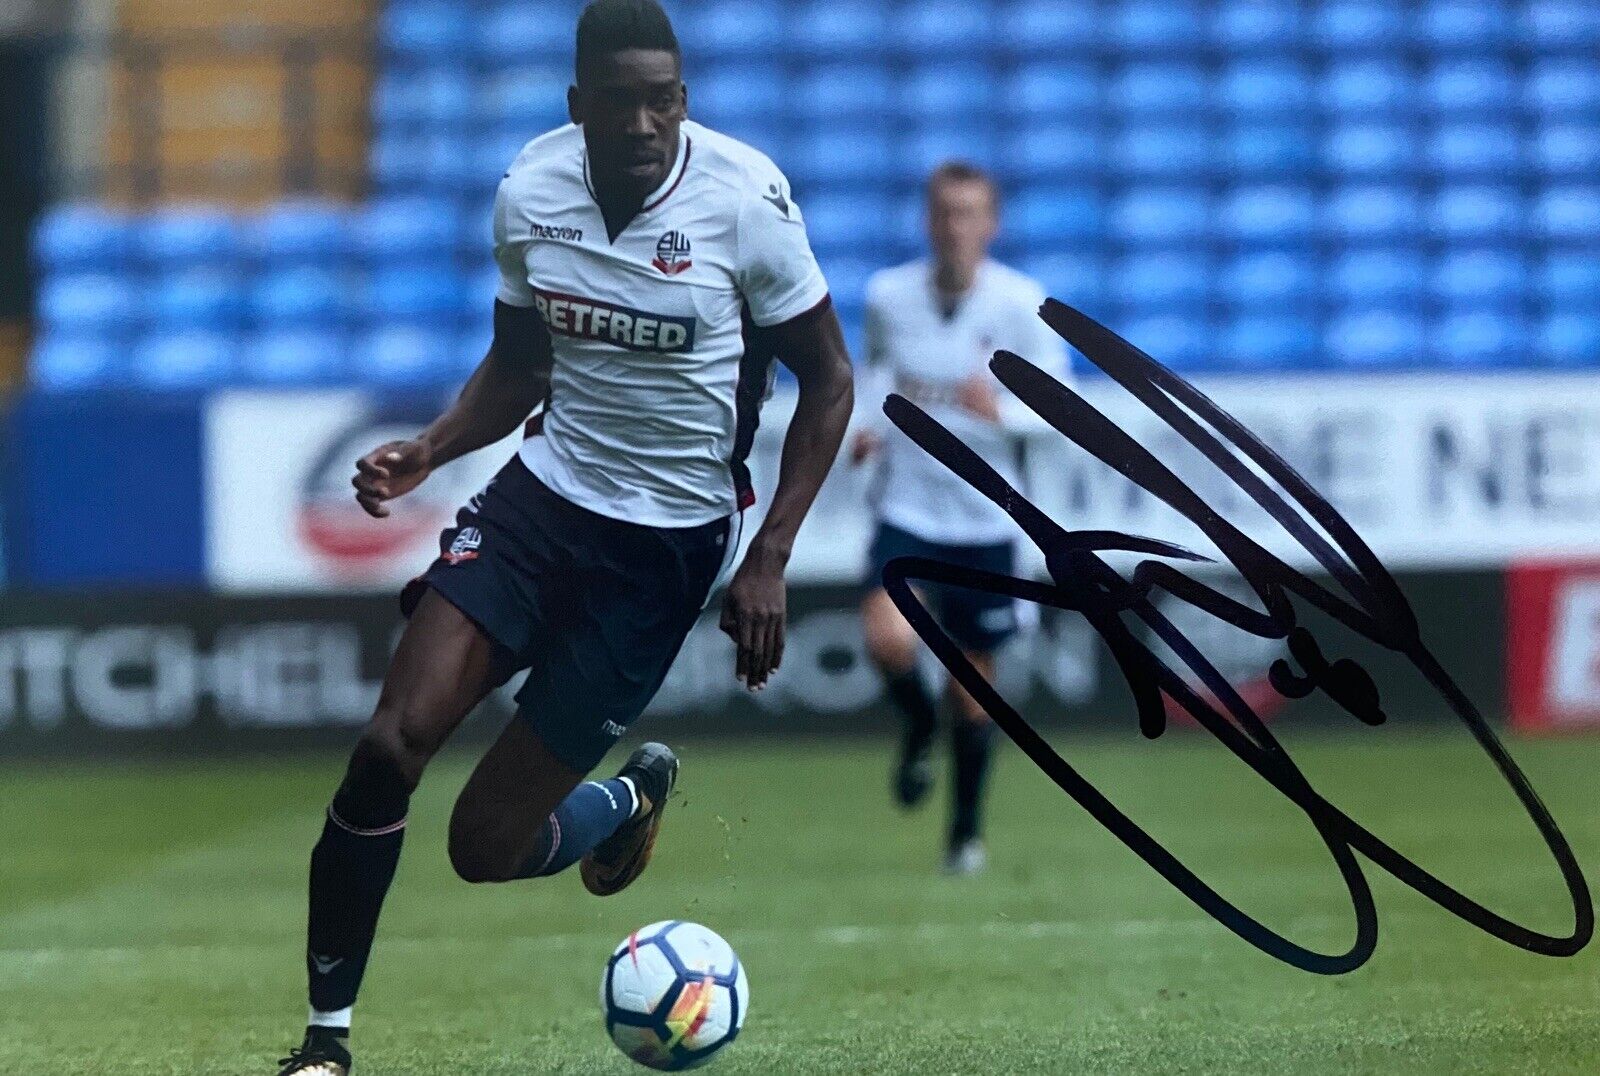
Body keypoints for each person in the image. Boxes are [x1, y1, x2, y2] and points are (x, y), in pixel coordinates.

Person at [275, 2, 853, 1071]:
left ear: (684, 99)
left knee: (482, 847)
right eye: (624, 101)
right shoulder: (531, 191)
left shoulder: (746, 203)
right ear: (579, 106)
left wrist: (767, 554)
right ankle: (324, 1041)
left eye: (665, 99)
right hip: (542, 503)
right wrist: (435, 445)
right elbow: (518, 365)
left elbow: (829, 380)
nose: (646, 121)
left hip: (666, 549)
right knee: (386, 746)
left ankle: (628, 795)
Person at [851, 161, 1068, 876]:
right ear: (927, 220)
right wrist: (869, 426)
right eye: (944, 212)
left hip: (985, 517)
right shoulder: (889, 296)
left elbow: (1063, 413)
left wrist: (999, 413)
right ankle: (916, 728)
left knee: (972, 685)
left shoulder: (1020, 305)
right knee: (886, 638)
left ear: (991, 224)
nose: (955, 227)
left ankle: (964, 835)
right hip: (909, 504)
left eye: (970, 212)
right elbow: (877, 371)